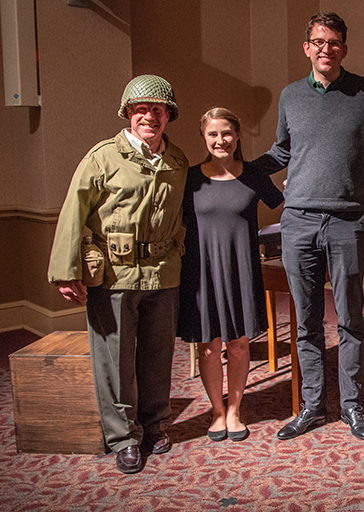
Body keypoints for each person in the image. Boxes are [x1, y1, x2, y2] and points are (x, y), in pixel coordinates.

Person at [252, 12, 364, 441]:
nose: (325, 49)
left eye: (333, 42)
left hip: (347, 222)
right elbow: (282, 151)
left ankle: (351, 405)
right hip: (297, 223)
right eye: (318, 41)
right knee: (307, 322)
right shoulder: (291, 95)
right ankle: (313, 405)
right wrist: (239, 171)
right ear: (306, 48)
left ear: (344, 49)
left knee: (350, 318)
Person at [47, 75, 188, 474]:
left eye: (157, 110)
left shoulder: (177, 161)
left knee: (158, 355)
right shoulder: (103, 158)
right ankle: (124, 436)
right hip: (114, 275)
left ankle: (155, 423)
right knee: (114, 360)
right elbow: (73, 212)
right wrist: (65, 270)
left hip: (163, 273)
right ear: (128, 114)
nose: (149, 116)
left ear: (168, 115)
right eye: (140, 109)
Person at [178, 108, 283, 443]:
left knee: (238, 344)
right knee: (208, 346)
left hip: (242, 269)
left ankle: (235, 409)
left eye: (226, 133)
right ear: (204, 139)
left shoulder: (253, 175)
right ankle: (217, 410)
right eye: (213, 134)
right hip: (201, 272)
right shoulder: (191, 179)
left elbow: (284, 205)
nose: (220, 140)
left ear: (238, 136)